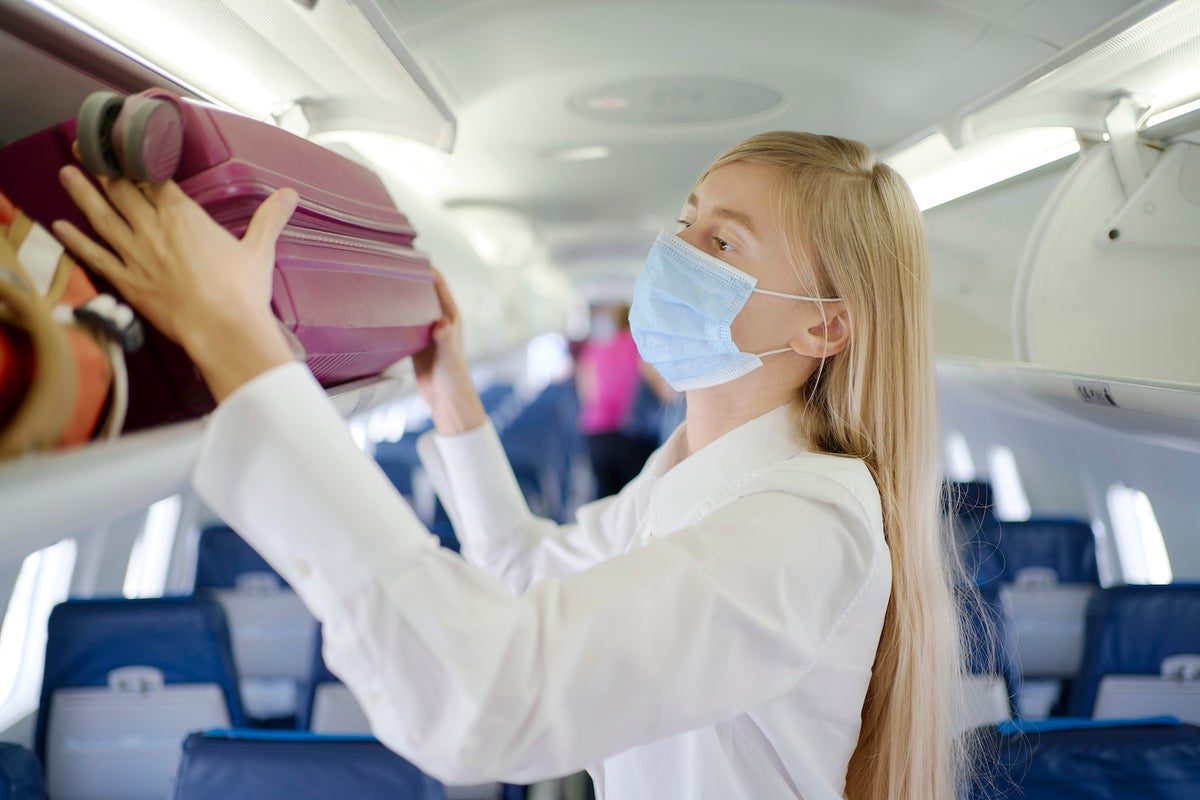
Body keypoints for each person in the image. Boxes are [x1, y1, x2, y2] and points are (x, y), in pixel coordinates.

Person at [53, 131, 968, 800]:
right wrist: (453, 394)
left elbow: (489, 696)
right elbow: (527, 573)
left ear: (824, 324)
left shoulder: (801, 526)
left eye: (723, 243)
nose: (672, 255)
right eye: (684, 223)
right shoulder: (686, 479)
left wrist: (241, 348)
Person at [574, 303, 658, 498]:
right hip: (633, 431)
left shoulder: (592, 349)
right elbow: (654, 384)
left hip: (598, 429)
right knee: (634, 495)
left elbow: (588, 393)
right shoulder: (639, 346)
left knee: (604, 493)